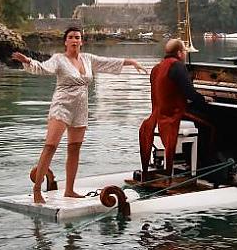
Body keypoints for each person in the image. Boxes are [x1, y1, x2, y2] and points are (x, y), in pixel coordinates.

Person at [12, 26, 147, 204]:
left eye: (78, 37)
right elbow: (44, 69)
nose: (75, 40)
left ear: (81, 41)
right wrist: (28, 61)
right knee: (50, 146)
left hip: (81, 108)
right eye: (71, 37)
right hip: (62, 105)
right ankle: (37, 189)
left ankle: (69, 190)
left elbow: (108, 62)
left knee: (74, 148)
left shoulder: (88, 59)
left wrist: (131, 62)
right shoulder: (59, 59)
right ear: (66, 42)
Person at [139, 39, 212, 180]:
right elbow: (190, 94)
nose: (185, 54)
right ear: (179, 53)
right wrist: (204, 100)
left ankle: (187, 160)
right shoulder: (177, 66)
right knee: (212, 123)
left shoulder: (157, 67)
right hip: (174, 114)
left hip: (159, 114)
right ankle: (203, 167)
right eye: (184, 51)